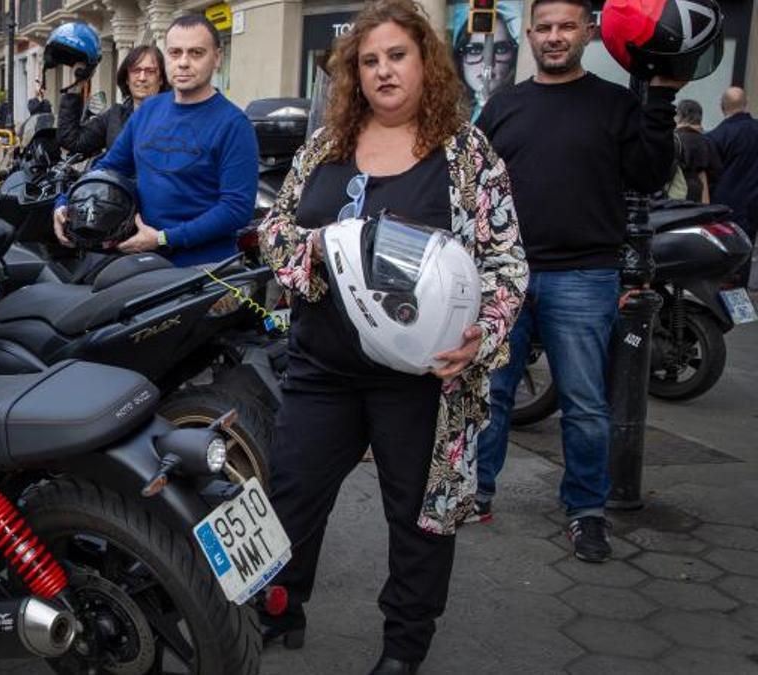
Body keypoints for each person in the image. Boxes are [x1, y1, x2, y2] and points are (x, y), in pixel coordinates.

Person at [255, 1, 528, 672]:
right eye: (369, 60)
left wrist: (482, 334)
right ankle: (278, 607)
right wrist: (319, 249)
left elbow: (507, 262)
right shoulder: (326, 145)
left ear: (425, 63)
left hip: (424, 378)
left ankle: (404, 648)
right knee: (288, 493)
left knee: (418, 520)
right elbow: (274, 231)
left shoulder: (466, 152)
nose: (383, 71)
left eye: (396, 56)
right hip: (324, 364)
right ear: (355, 72)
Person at [473, 0, 684, 562]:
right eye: (543, 27)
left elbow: (650, 174)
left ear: (588, 32)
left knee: (586, 404)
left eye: (566, 26)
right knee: (490, 394)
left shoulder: (615, 104)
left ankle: (586, 510)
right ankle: (477, 492)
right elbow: (470, 188)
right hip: (507, 274)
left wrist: (660, 101)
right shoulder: (502, 106)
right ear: (532, 37)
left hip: (585, 276)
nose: (554, 36)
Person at [51, 16, 258, 266]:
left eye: (196, 53)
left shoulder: (234, 124)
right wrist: (66, 204)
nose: (183, 62)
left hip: (205, 269)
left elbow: (236, 210)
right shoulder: (149, 111)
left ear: (217, 58)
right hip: (145, 258)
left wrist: (163, 238)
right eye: (175, 52)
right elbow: (108, 168)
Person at [57, 44, 169, 157]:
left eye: (150, 71)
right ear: (126, 79)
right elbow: (73, 140)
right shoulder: (115, 116)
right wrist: (75, 86)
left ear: (161, 79)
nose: (142, 78)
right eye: (136, 70)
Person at [450, 2, 521, 120]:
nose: (487, 61)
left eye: (500, 49)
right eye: (474, 50)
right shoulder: (450, 113)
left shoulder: (516, 115)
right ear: (459, 58)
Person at [707, 87, 758, 243]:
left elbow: (711, 174)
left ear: (722, 106)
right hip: (753, 206)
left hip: (724, 208)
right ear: (746, 104)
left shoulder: (716, 136)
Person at [674, 99, 719, 204]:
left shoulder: (675, 139)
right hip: (700, 194)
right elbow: (715, 172)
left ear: (680, 116)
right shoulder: (708, 141)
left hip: (676, 194)